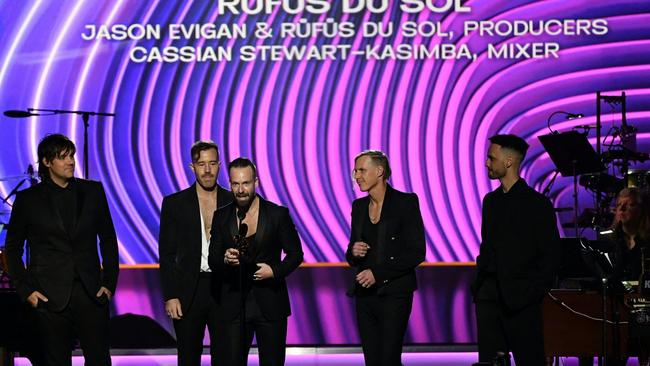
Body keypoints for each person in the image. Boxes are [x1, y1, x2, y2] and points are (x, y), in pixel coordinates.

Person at [4, 133, 119, 365]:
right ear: (47, 162)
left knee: (99, 360)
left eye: (72, 156)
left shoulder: (93, 192)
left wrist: (108, 283)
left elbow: (108, 238)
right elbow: (13, 248)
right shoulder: (27, 200)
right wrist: (26, 291)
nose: (71, 162)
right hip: (49, 295)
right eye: (63, 157)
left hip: (91, 293)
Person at [472, 134, 561, 366]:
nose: (486, 163)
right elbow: (487, 245)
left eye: (491, 158)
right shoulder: (490, 201)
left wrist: (530, 293)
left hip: (522, 300)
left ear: (509, 161)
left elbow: (550, 255)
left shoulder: (537, 204)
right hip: (489, 298)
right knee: (490, 362)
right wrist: (480, 284)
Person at [208, 158, 303, 366]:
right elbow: (213, 259)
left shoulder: (277, 214)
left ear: (256, 182)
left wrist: (274, 271)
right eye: (235, 184)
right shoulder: (221, 216)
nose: (241, 190)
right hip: (234, 304)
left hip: (270, 304)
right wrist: (224, 259)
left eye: (246, 183)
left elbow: (296, 254)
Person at [345, 150, 425, 366]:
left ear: (379, 171)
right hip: (365, 296)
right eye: (355, 171)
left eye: (362, 170)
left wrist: (377, 274)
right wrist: (353, 251)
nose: (357, 176)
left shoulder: (405, 203)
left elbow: (417, 252)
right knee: (372, 359)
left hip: (395, 294)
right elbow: (351, 253)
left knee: (388, 358)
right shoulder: (359, 207)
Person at [159, 141, 233, 365]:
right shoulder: (175, 203)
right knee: (189, 356)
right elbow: (166, 253)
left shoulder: (233, 201)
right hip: (188, 290)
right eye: (202, 164)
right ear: (193, 167)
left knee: (227, 356)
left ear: (220, 165)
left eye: (212, 163)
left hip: (225, 287)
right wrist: (171, 295)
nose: (208, 170)